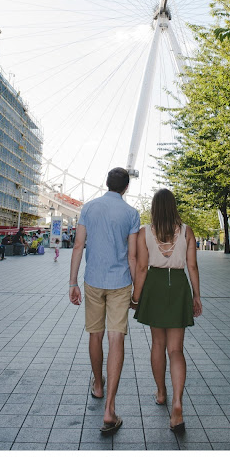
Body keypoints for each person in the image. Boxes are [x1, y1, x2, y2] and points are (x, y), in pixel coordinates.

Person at [69, 167, 140, 435]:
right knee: (116, 339)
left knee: (94, 335)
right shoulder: (132, 213)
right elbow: (132, 256)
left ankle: (98, 385)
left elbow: (78, 246)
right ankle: (110, 408)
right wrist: (137, 292)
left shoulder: (89, 208)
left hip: (93, 280)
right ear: (126, 188)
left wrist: (72, 282)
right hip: (121, 282)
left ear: (106, 183)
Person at [131, 188, 202, 434]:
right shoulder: (186, 231)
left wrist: (136, 297)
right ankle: (177, 404)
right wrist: (196, 295)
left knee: (157, 345)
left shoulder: (144, 232)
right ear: (173, 207)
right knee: (176, 349)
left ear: (154, 207)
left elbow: (141, 267)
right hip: (179, 285)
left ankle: (161, 393)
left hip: (155, 285)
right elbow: (192, 266)